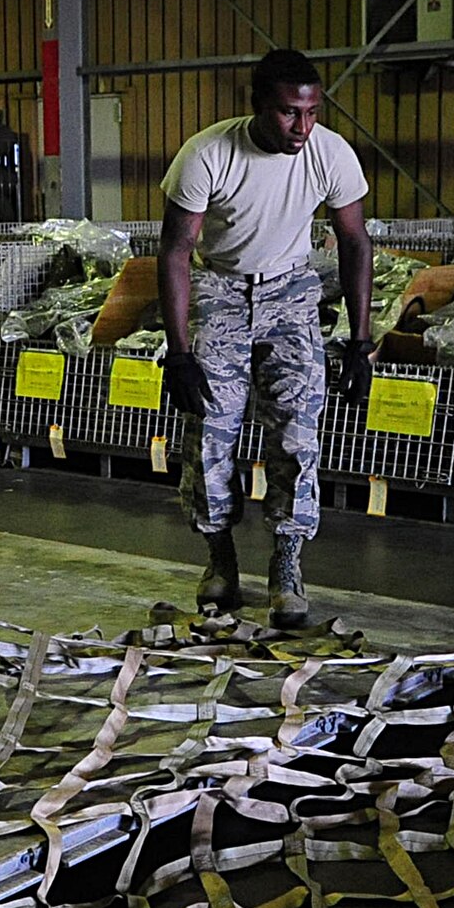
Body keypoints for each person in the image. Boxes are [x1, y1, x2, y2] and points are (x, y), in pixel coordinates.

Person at [158, 47, 373, 629]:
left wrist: (359, 340)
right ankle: (220, 559)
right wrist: (179, 354)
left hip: (291, 294)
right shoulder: (207, 155)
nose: (302, 127)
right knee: (209, 435)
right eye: (287, 114)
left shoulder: (330, 153)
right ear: (257, 106)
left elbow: (354, 243)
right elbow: (177, 252)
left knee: (297, 436)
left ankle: (286, 564)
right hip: (221, 294)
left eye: (311, 112)